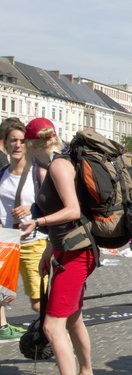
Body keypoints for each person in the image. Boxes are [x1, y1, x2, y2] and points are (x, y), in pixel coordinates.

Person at [19, 118, 95, 375]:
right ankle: (86, 371)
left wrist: (37, 221)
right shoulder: (56, 163)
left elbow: (72, 211)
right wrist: (49, 251)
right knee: (73, 319)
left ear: (32, 143)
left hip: (76, 252)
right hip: (68, 250)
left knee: (52, 327)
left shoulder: (59, 165)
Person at [0, 118, 48, 311]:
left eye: (21, 141)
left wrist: (32, 208)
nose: (17, 145)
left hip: (32, 242)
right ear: (5, 144)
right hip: (6, 242)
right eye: (13, 140)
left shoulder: (38, 174)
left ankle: (55, 334)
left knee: (38, 301)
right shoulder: (2, 174)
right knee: (1, 293)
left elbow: (54, 207)